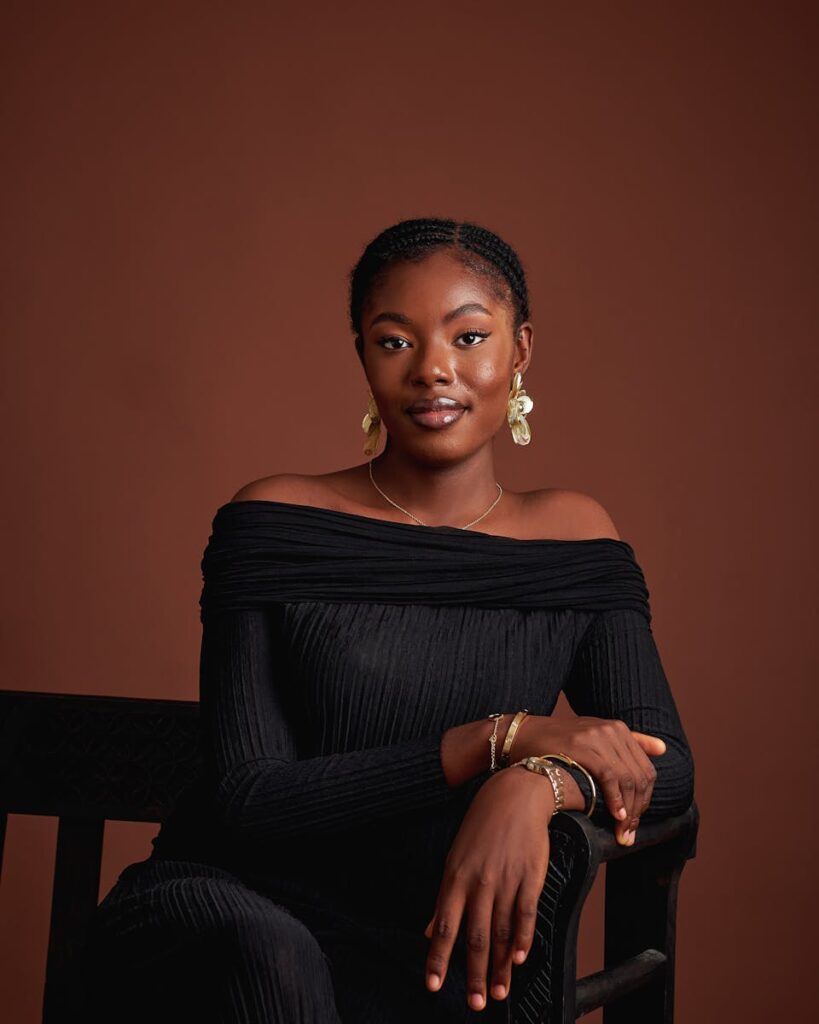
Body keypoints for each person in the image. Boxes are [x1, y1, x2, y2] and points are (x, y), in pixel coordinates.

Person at [80, 217, 695, 1024]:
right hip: (234, 913)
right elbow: (247, 799)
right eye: (394, 342)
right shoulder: (274, 523)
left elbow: (664, 766)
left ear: (521, 351)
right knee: (273, 959)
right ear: (363, 357)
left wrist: (535, 786)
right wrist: (498, 739)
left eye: (469, 336)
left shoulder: (574, 541)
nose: (433, 369)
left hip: (431, 931)